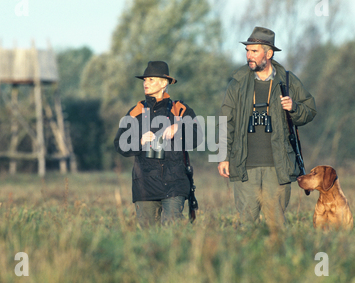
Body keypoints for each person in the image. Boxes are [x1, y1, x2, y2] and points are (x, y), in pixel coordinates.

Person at [218, 27, 317, 228]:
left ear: (269, 53)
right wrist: (223, 156)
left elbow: (310, 109)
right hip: (244, 166)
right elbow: (224, 121)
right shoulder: (237, 83)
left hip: (278, 167)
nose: (249, 56)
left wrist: (294, 108)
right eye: (247, 51)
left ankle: (277, 259)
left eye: (254, 51)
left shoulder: (288, 80)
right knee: (246, 226)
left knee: (277, 226)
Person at [114, 61, 202, 228]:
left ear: (164, 83)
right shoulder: (136, 112)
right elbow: (119, 143)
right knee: (146, 239)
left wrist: (180, 128)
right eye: (145, 80)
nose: (146, 83)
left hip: (175, 185)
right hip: (144, 188)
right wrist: (139, 141)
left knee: (173, 234)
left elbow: (198, 137)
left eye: (151, 80)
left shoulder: (181, 110)